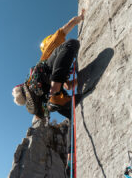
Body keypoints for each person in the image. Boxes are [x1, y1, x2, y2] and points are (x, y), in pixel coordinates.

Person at [12, 9, 85, 176]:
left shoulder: (54, 68)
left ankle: (69, 156)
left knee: (74, 116)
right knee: (71, 44)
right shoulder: (49, 50)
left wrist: (73, 82)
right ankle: (54, 93)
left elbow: (66, 85)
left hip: (50, 99)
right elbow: (64, 30)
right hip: (51, 90)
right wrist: (80, 18)